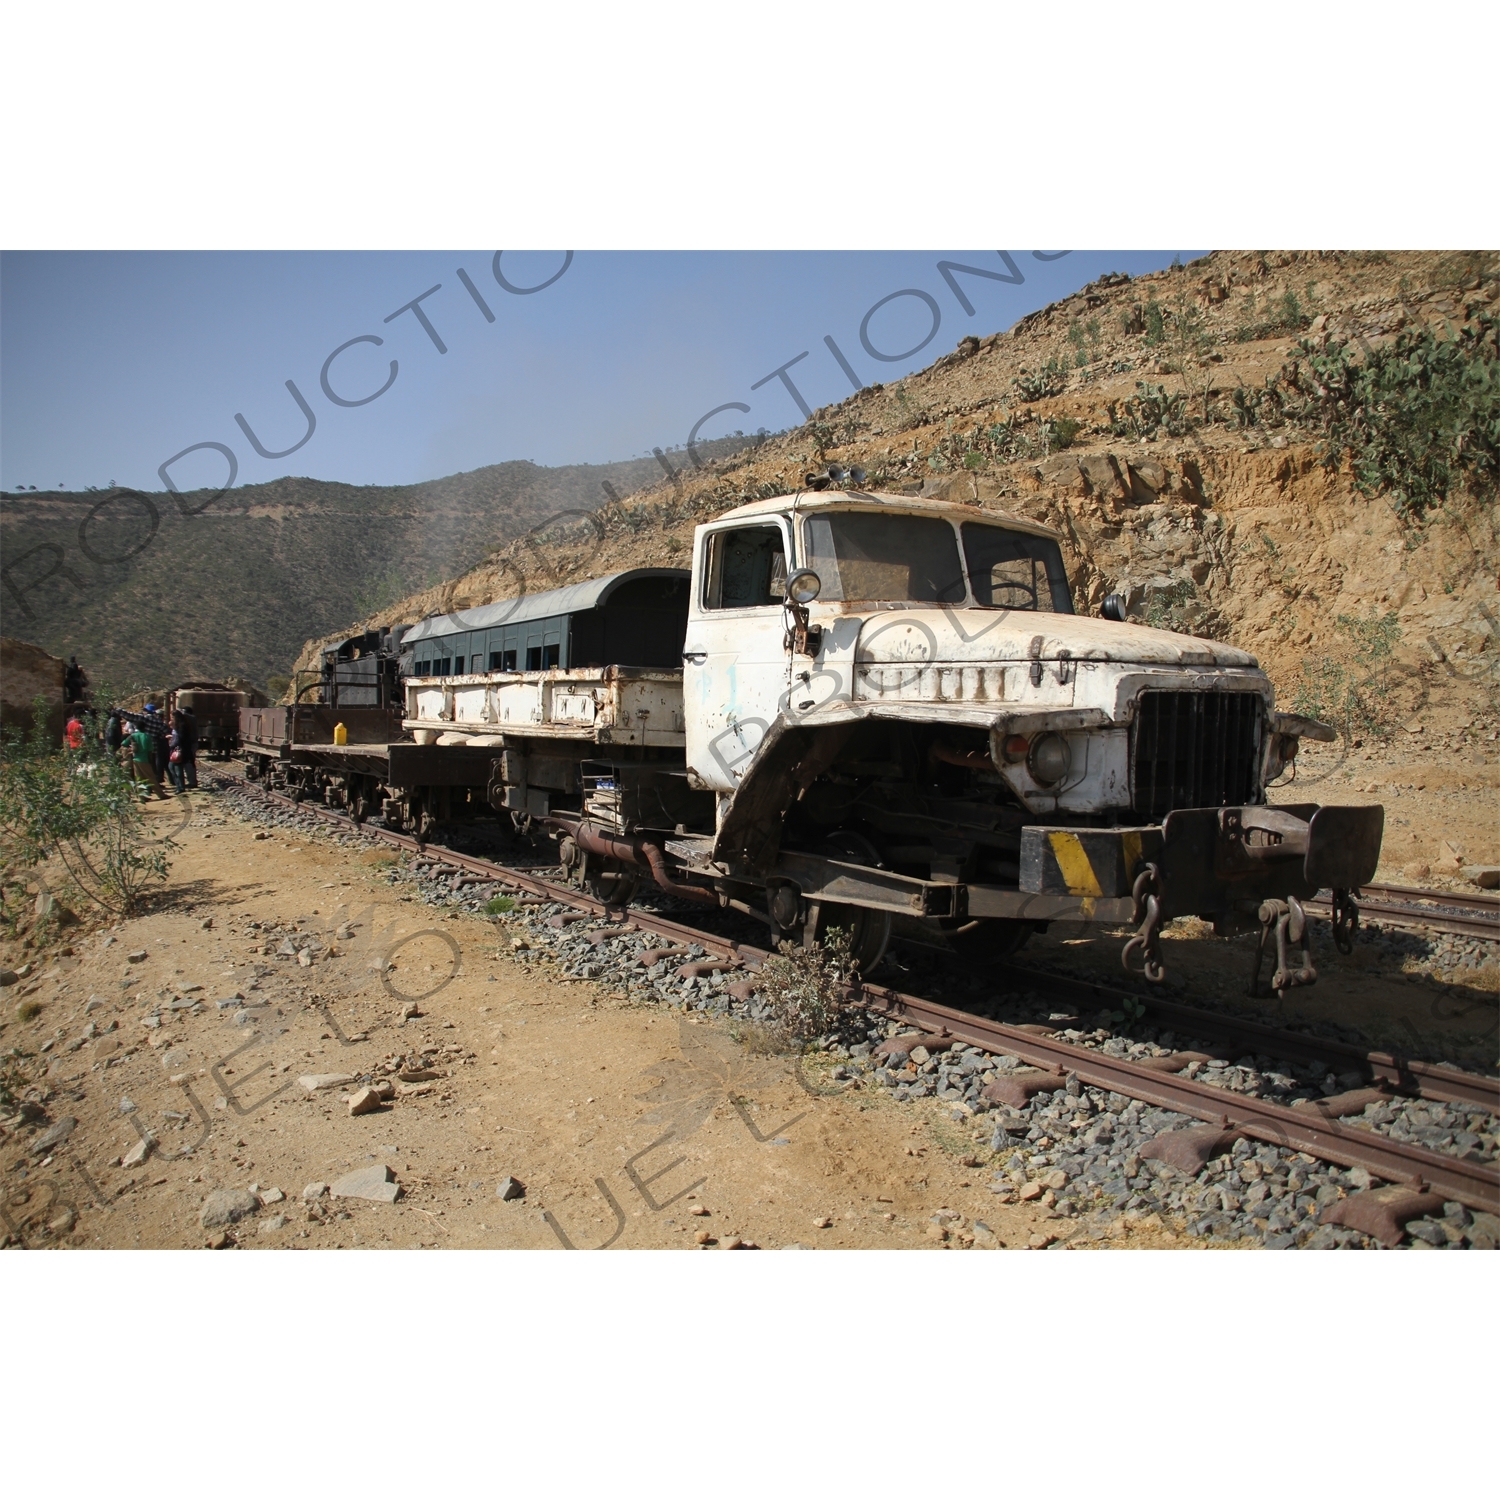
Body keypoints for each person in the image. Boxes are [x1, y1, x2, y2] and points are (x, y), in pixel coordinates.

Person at [124, 718, 163, 798]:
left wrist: (131, 749)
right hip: (144, 759)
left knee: (139, 779)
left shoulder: (132, 736)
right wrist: (150, 761)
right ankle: (160, 794)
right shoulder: (147, 736)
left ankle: (142, 797)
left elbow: (124, 743)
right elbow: (150, 750)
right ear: (144, 727)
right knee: (151, 778)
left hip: (135, 759)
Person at [177, 704, 199, 789]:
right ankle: (192, 781)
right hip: (193, 742)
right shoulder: (193, 718)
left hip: (190, 743)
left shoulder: (190, 718)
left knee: (189, 763)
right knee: (190, 762)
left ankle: (192, 782)